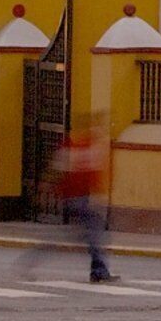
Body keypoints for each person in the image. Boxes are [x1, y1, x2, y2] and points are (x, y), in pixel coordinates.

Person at [23, 120, 113, 282]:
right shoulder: (87, 148)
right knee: (93, 234)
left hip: (71, 200)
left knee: (79, 236)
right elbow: (93, 178)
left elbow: (56, 171)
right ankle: (99, 271)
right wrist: (98, 200)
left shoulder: (70, 147)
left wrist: (45, 189)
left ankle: (30, 262)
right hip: (81, 200)